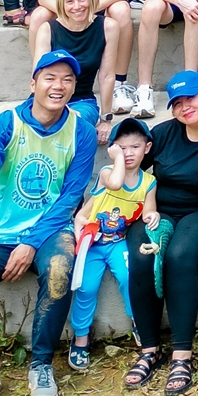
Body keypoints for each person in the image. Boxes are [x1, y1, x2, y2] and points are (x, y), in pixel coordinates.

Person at [0, 50, 97, 396]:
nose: (58, 86)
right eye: (50, 77)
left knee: (60, 271)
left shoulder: (79, 129)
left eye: (67, 79)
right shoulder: (4, 125)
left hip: (50, 229)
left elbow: (70, 196)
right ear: (33, 83)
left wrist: (32, 243)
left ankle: (41, 365)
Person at [123, 71, 198, 396]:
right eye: (177, 103)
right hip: (159, 210)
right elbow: (132, 169)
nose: (184, 107)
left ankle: (182, 353)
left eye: (190, 98)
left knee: (179, 257)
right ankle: (150, 349)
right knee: (140, 257)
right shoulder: (163, 134)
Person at [65, 116, 156, 371]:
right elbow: (115, 183)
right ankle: (81, 335)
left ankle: (138, 320)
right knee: (86, 287)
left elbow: (149, 210)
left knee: (129, 277)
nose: (128, 153)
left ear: (146, 148)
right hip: (92, 242)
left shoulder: (149, 182)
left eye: (135, 147)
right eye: (122, 147)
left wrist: (154, 215)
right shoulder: (107, 172)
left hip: (118, 241)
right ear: (112, 149)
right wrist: (115, 159)